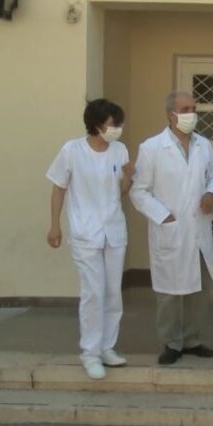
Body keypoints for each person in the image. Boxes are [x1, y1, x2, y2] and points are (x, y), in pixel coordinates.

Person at [130, 92, 213, 365]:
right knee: (170, 293)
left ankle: (192, 339)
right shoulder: (152, 148)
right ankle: (172, 342)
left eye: (194, 108)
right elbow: (139, 191)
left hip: (198, 229)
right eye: (185, 109)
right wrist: (163, 216)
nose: (191, 114)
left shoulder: (203, 145)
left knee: (198, 289)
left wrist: (212, 193)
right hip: (171, 228)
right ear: (170, 114)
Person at [46, 99, 132, 380]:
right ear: (97, 124)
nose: (117, 129)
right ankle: (90, 353)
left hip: (113, 230)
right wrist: (55, 225)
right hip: (85, 231)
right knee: (93, 292)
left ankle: (107, 347)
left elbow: (121, 191)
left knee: (112, 291)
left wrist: (128, 177)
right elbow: (59, 188)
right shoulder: (71, 151)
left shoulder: (120, 150)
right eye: (113, 124)